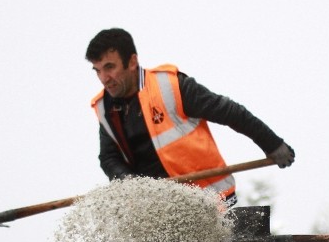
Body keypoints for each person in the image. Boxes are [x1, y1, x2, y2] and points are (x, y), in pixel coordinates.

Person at [85, 28, 295, 207]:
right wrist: (128, 182)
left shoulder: (170, 86)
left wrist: (272, 144)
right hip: (157, 211)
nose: (104, 78)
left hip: (212, 201)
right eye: (98, 71)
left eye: (110, 67)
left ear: (132, 62)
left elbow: (230, 112)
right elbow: (109, 158)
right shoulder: (105, 109)